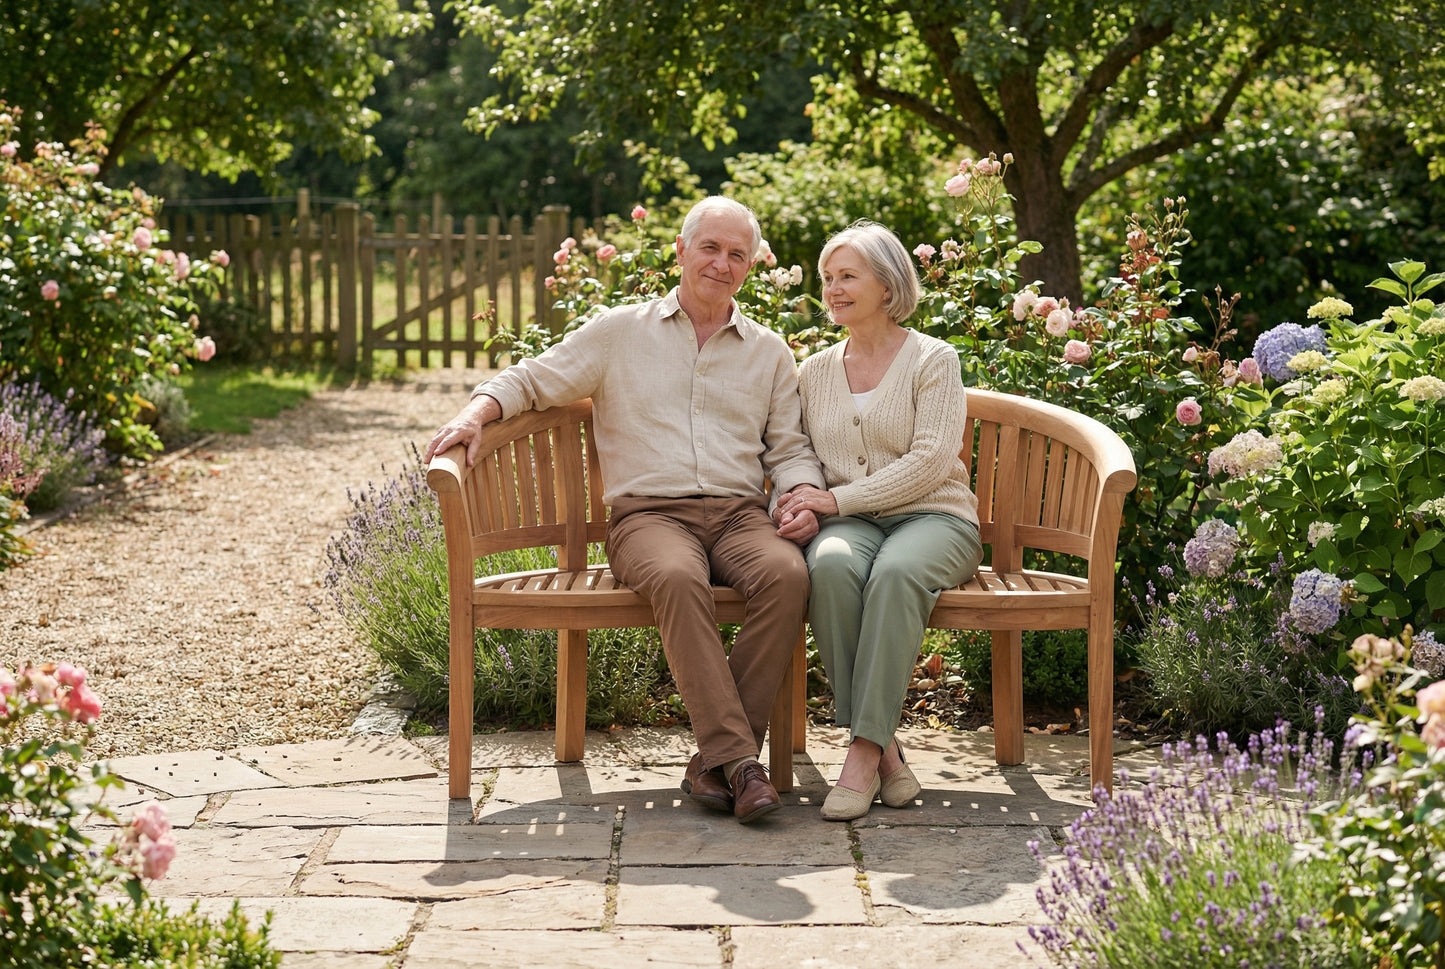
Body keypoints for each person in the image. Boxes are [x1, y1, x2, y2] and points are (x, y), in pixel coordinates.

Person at [423, 197, 824, 824]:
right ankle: (742, 765)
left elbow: (790, 449)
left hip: (741, 517)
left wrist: (799, 496)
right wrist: (474, 413)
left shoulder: (769, 352)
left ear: (750, 265)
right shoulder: (618, 333)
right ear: (681, 252)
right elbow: (532, 379)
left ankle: (714, 763)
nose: (722, 263)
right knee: (675, 576)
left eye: (737, 254)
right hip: (649, 519)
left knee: (789, 575)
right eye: (710, 248)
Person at [774, 220, 983, 822]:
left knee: (893, 573)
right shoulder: (813, 370)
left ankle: (861, 755)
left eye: (848, 276)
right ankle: (887, 749)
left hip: (935, 517)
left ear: (887, 286)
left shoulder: (932, 359)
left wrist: (834, 503)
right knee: (833, 568)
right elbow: (797, 454)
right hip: (852, 525)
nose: (833, 289)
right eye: (827, 278)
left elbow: (932, 460)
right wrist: (797, 501)